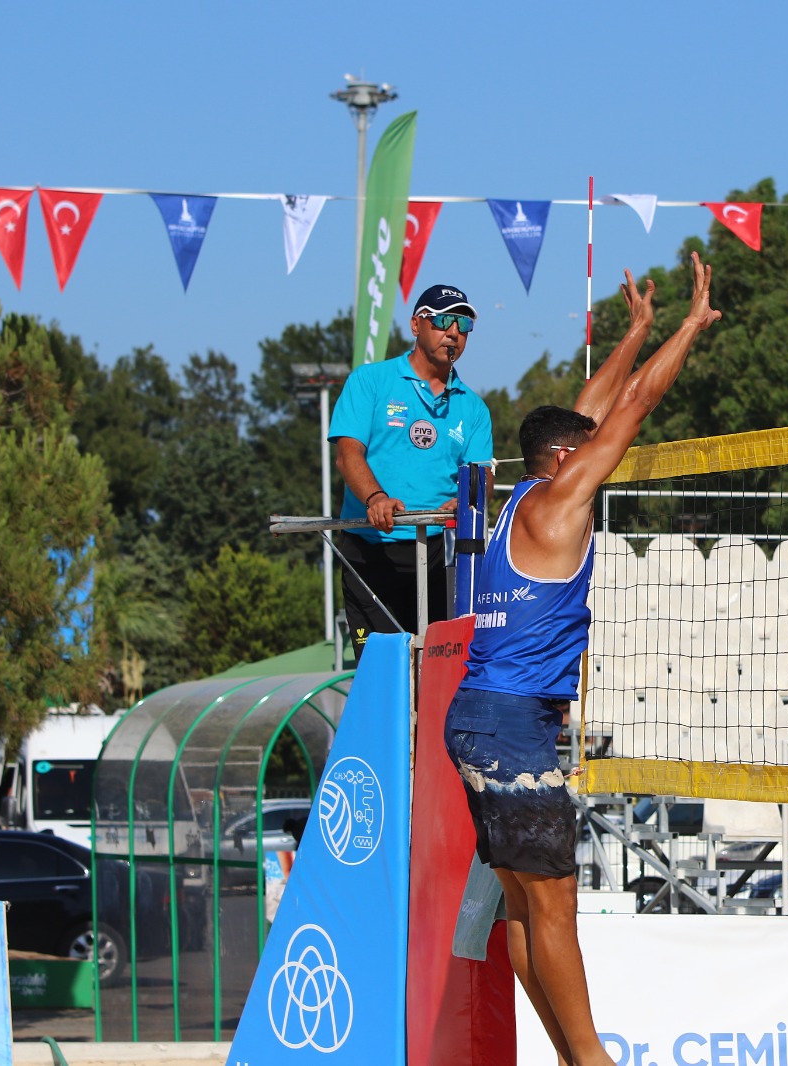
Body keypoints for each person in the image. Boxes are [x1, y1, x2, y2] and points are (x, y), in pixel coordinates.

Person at [444, 259, 718, 1066]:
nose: (605, 458)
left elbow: (593, 410)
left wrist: (634, 330)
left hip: (483, 716)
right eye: (590, 453)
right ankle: (593, 1059)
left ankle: (570, 1057)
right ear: (567, 460)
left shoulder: (523, 495)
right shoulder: (565, 502)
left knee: (530, 912)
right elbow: (631, 406)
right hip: (512, 727)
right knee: (552, 910)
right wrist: (690, 326)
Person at [330, 284, 495, 659]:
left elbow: (481, 474)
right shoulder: (370, 381)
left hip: (434, 554)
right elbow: (347, 455)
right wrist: (375, 498)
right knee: (382, 671)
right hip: (372, 551)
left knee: (432, 673)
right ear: (416, 325)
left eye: (463, 323)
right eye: (443, 320)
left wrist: (467, 498)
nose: (453, 332)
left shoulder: (473, 408)